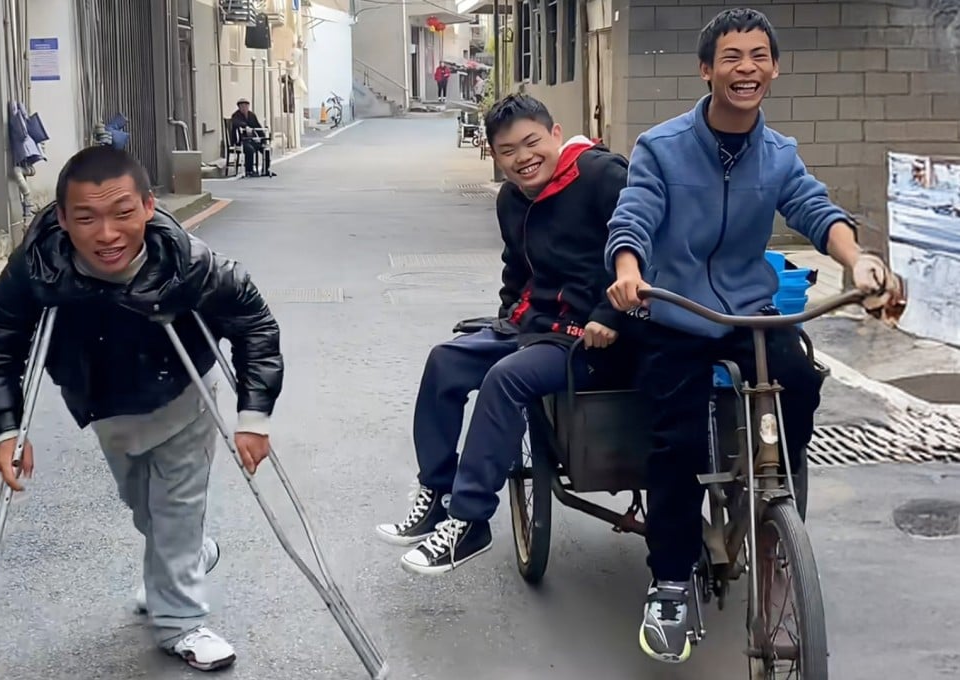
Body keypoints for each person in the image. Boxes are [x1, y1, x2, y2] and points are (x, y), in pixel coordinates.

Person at [603, 8, 904, 665]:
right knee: (675, 440)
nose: (747, 69)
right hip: (674, 311)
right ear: (707, 69)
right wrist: (628, 272)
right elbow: (635, 216)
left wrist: (859, 262)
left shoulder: (779, 153)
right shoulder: (662, 146)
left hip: (749, 314)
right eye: (732, 57)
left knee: (798, 381)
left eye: (759, 56)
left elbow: (816, 210)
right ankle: (672, 583)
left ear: (774, 67)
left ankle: (774, 501)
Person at [0, 145, 283, 671]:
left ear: (146, 207)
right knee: (145, 508)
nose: (107, 234)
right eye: (86, 218)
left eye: (122, 214)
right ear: (63, 219)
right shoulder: (38, 267)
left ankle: (181, 621)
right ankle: (187, 557)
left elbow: (254, 323)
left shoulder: (187, 260)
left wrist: (253, 417)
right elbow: (0, 340)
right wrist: (4, 429)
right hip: (107, 410)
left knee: (175, 511)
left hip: (186, 399)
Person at [375, 93, 641, 574]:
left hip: (596, 337)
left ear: (556, 134)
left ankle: (470, 520)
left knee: (506, 378)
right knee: (445, 359)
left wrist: (610, 315)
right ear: (494, 155)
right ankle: (437, 490)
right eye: (507, 150)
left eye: (532, 142)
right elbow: (516, 269)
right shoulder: (511, 200)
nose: (523, 158)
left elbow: (640, 246)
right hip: (536, 329)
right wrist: (508, 314)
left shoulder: (603, 177)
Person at [229, 98, 274, 178]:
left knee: (266, 149)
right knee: (249, 149)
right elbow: (236, 123)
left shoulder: (251, 115)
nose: (244, 108)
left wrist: (263, 139)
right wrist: (245, 126)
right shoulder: (236, 115)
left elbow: (257, 126)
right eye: (242, 106)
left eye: (246, 106)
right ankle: (249, 170)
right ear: (239, 107)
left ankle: (265, 170)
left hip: (252, 140)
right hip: (242, 140)